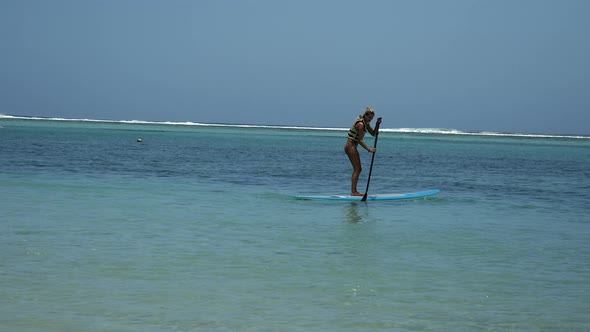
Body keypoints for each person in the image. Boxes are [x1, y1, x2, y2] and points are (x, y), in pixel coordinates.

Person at [344, 107, 382, 196]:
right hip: (350, 146)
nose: (370, 119)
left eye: (372, 118)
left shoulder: (366, 123)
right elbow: (360, 140)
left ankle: (354, 191)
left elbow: (373, 133)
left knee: (358, 169)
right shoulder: (361, 124)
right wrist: (369, 149)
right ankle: (354, 192)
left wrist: (377, 124)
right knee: (358, 169)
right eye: (369, 117)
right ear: (365, 115)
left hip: (352, 146)